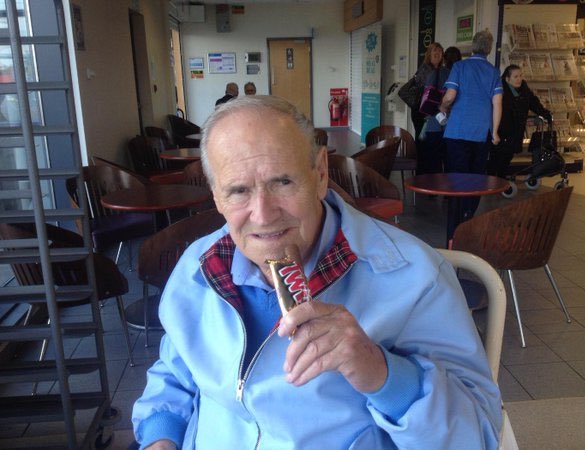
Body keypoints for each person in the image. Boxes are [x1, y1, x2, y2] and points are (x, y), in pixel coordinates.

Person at [131, 95, 502, 449]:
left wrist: (383, 374)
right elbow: (176, 371)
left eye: (282, 182)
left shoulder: (416, 278)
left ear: (320, 173)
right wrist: (160, 437)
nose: (263, 214)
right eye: (239, 191)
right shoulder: (199, 266)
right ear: (216, 195)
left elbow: (477, 437)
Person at [440, 30, 503, 234]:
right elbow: (497, 103)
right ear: (489, 49)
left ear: (473, 46)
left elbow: (450, 96)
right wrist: (495, 132)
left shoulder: (460, 66)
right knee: (476, 179)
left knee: (457, 178)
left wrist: (443, 106)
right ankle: (468, 217)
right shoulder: (493, 72)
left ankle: (455, 226)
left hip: (457, 131)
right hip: (481, 133)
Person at [488, 64, 551, 179]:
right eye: (516, 77)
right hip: (502, 131)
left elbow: (533, 102)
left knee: (507, 158)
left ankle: (500, 180)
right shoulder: (501, 90)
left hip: (516, 131)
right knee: (497, 159)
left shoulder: (524, 89)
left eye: (520, 76)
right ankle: (495, 180)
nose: (519, 79)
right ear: (507, 79)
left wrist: (544, 113)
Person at [418, 46, 462, 174]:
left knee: (433, 161)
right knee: (450, 160)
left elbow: (427, 97)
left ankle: (433, 184)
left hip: (435, 123)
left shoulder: (437, 73)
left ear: (444, 58)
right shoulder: (459, 75)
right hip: (453, 126)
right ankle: (447, 184)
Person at [410, 42, 444, 140]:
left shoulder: (441, 70)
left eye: (440, 51)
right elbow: (427, 91)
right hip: (421, 112)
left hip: (431, 111)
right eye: (435, 50)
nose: (437, 53)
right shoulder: (425, 69)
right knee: (423, 141)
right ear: (429, 53)